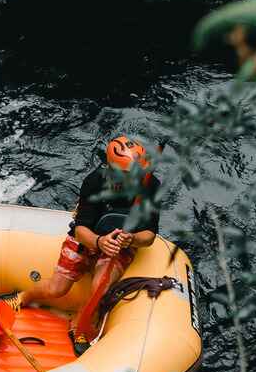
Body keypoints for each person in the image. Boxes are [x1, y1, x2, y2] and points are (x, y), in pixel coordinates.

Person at [12, 135, 162, 345]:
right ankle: (23, 297)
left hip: (122, 244)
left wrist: (132, 239)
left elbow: (149, 236)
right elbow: (81, 229)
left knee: (102, 286)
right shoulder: (95, 181)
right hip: (90, 237)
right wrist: (100, 242)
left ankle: (79, 323)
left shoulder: (151, 186)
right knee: (57, 288)